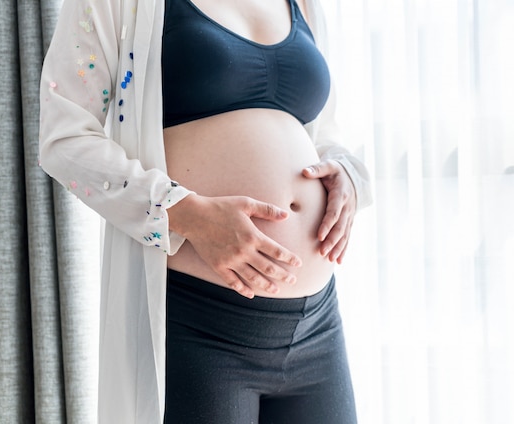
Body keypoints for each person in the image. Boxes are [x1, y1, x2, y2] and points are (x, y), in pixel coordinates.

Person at [39, 0, 372, 422]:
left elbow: (323, 133)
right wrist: (186, 212)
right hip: (201, 325)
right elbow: (65, 139)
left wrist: (346, 175)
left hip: (317, 323)